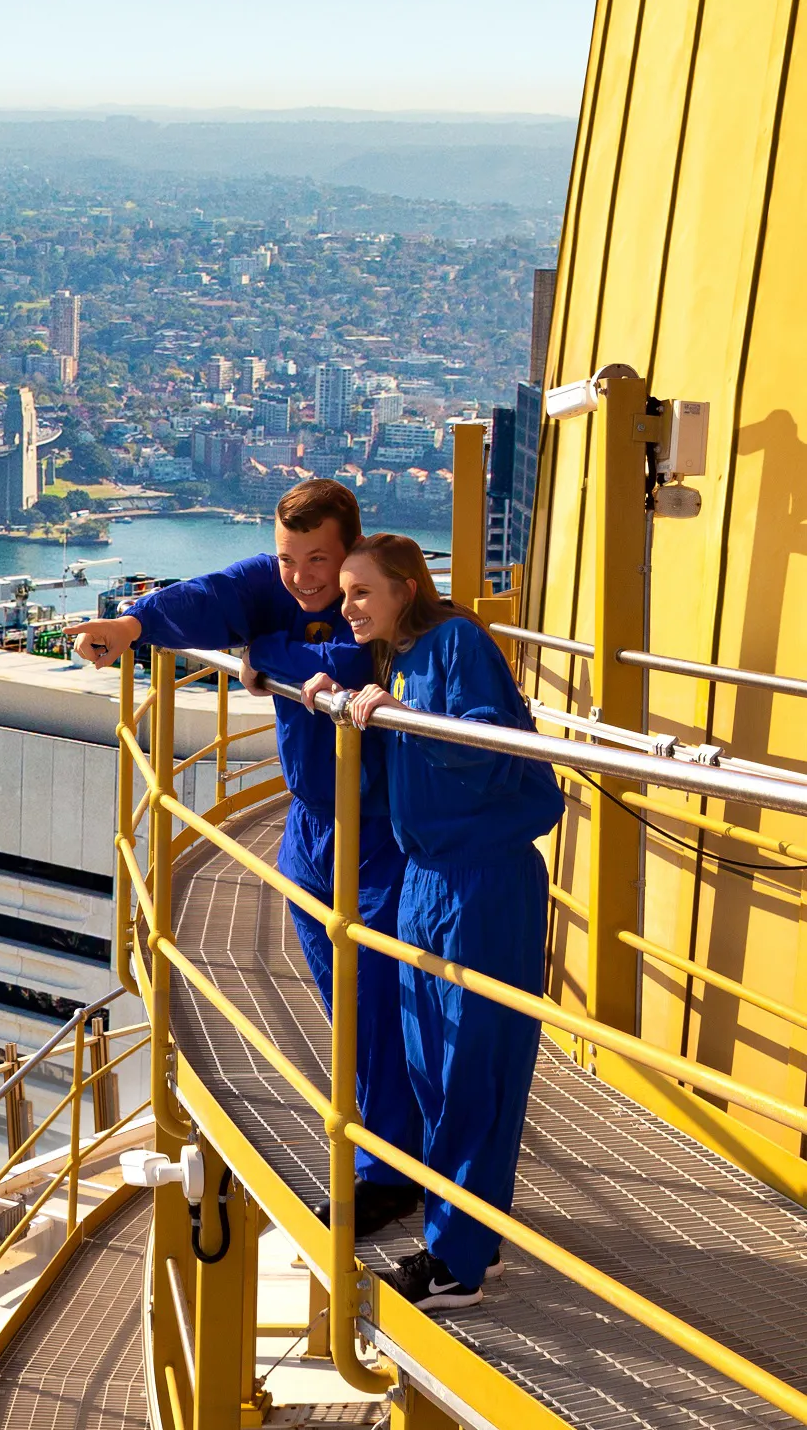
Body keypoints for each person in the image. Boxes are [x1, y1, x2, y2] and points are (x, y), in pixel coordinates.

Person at [70, 479, 425, 1234]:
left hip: (380, 831)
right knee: (344, 1002)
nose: (301, 577)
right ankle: (389, 1149)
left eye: (317, 560)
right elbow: (215, 594)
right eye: (289, 558)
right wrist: (134, 626)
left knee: (373, 1000)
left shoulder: (370, 596)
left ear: (348, 549)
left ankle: (390, 1168)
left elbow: (350, 665)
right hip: (313, 828)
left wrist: (266, 651)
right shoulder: (280, 585)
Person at [298, 532, 562, 1313]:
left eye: (359, 592)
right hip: (427, 880)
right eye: (343, 593)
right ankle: (474, 1235)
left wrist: (401, 714)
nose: (345, 606)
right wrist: (329, 700)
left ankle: (457, 1265)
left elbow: (484, 746)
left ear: (407, 587)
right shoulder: (399, 657)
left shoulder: (454, 644)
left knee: (470, 1071)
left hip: (482, 881)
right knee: (430, 1070)